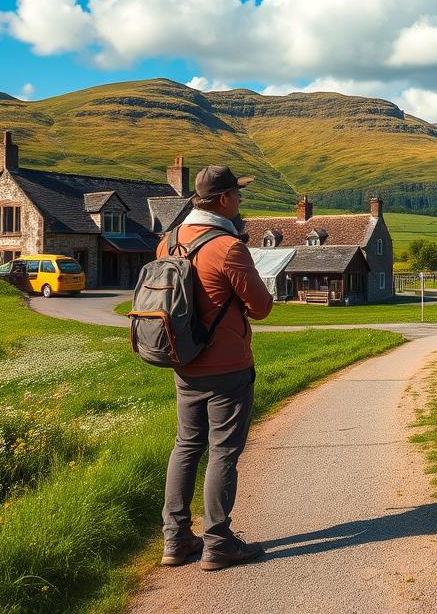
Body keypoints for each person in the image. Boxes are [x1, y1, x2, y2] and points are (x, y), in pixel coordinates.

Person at [157, 165, 273, 571]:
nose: (241, 201)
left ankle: (175, 540)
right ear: (222, 199)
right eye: (238, 195)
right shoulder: (227, 247)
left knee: (186, 445)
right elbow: (261, 307)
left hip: (183, 362)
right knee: (223, 452)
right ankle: (218, 542)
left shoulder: (168, 242)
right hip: (228, 367)